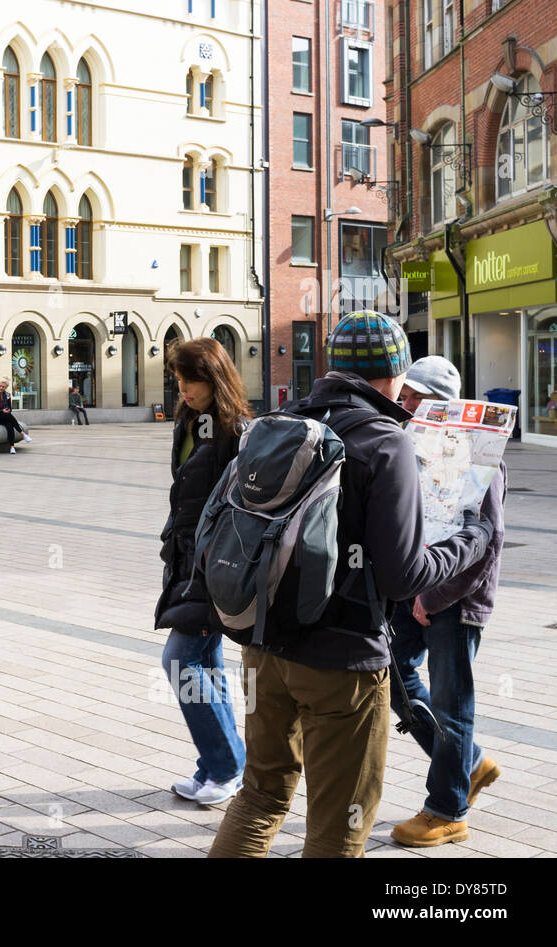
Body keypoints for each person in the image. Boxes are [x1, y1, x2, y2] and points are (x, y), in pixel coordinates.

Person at [208, 311, 496, 858]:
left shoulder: (284, 419)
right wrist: (473, 538)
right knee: (339, 828)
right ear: (395, 372)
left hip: (264, 646)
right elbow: (403, 575)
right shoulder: (387, 442)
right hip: (345, 662)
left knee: (260, 797)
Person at [384, 356, 505, 847]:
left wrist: (433, 597)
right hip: (418, 588)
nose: (405, 403)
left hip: (455, 598)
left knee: (454, 704)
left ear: (440, 403)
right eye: (404, 394)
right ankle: (470, 763)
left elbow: (487, 540)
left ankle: (447, 810)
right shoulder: (417, 444)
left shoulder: (481, 453)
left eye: (414, 396)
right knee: (394, 675)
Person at [155, 338, 252, 806]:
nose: (183, 387)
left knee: (179, 660)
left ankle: (229, 765)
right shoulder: (188, 420)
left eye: (190, 378)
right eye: (178, 377)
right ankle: (218, 765)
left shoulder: (238, 431)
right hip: (185, 560)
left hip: (216, 566)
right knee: (205, 664)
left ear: (214, 377)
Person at [0, 379, 33, 448]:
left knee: (10, 425)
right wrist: (2, 411)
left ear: (6, 388)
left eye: (3, 387)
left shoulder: (7, 395)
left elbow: (10, 408)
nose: (1, 388)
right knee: (8, 416)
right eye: (0, 386)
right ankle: (23, 434)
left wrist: (8, 410)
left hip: (5, 416)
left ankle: (12, 447)